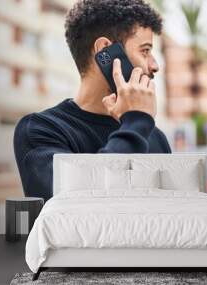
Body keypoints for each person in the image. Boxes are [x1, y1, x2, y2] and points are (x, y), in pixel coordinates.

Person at [14, 0, 171, 201]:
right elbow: (79, 204)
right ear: (105, 51)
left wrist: (137, 123)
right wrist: (136, 122)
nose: (155, 65)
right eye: (145, 50)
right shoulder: (41, 130)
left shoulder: (152, 135)